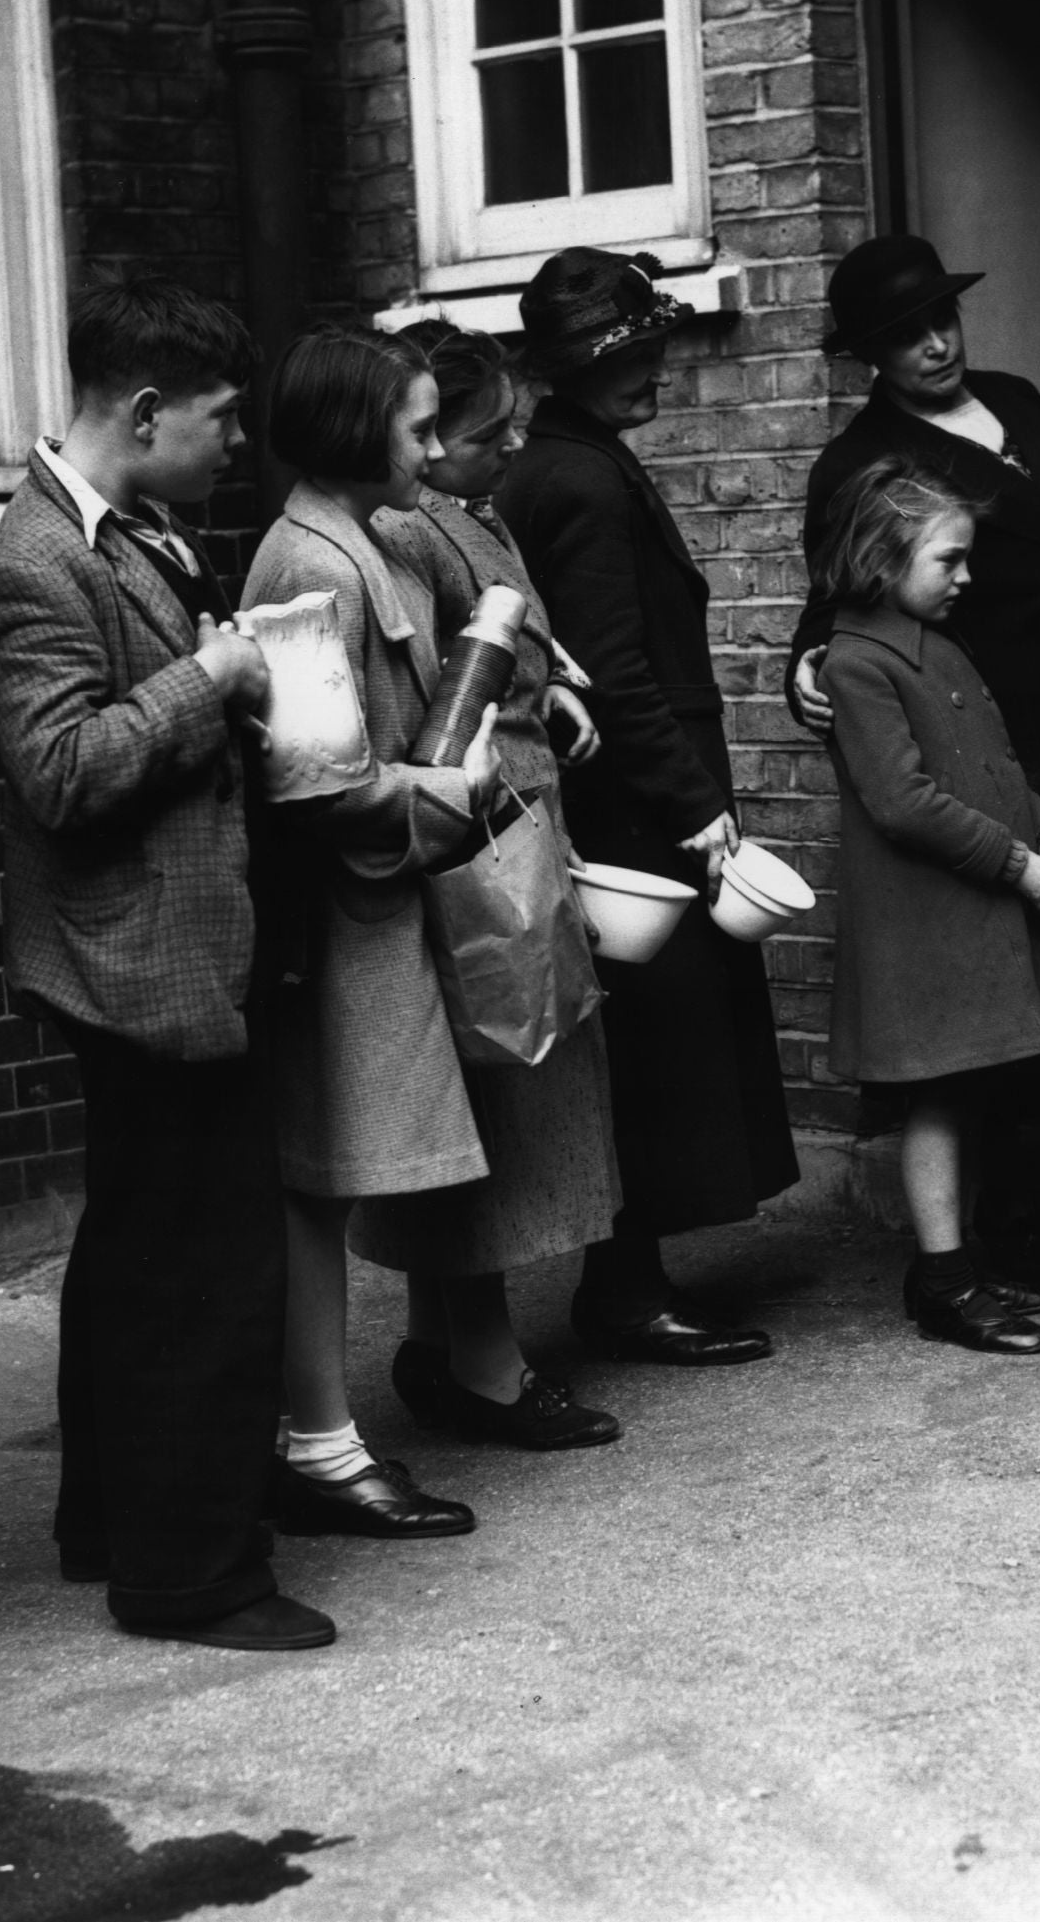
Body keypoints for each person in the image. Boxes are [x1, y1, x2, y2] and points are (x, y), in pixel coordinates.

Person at [0, 278, 332, 1654]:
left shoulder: (137, 530)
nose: (239, 444)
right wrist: (213, 681)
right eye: (223, 421)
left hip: (173, 947)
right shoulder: (33, 566)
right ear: (144, 411)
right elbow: (60, 772)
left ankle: (112, 1521)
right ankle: (192, 1574)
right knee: (205, 1268)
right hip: (135, 964)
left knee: (135, 1251)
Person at [247, 324, 621, 1467]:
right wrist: (455, 793)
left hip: (395, 893)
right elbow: (321, 787)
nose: (434, 450)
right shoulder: (314, 562)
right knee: (331, 1182)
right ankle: (331, 1440)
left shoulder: (357, 540)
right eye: (418, 427)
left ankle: (403, 1395)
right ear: (361, 430)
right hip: (366, 907)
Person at [786, 235, 1040, 1290]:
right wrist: (808, 672)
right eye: (906, 334)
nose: (936, 343)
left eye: (944, 318)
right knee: (1023, 965)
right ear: (870, 354)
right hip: (997, 722)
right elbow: (839, 607)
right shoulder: (861, 463)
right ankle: (1017, 1208)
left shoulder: (1016, 397)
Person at [497, 250, 796, 1363]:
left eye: (647, 345)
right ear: (569, 373)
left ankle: (630, 1277)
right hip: (632, 810)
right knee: (655, 1051)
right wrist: (693, 805)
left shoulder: (566, 462)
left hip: (621, 796)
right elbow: (614, 671)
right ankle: (625, 1289)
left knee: (645, 1048)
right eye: (624, 357)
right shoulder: (578, 479)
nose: (652, 368)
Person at [364, 318, 629, 1448]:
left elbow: (508, 636)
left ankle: (451, 1345)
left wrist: (550, 681)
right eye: (481, 432)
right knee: (492, 1107)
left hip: (512, 818)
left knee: (505, 1102)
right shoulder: (408, 529)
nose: (509, 445)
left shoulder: (465, 514)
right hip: (481, 839)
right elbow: (438, 704)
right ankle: (484, 1363)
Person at [816, 459, 1040, 1353]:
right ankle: (944, 1280)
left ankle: (959, 1260)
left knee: (974, 1090)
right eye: (948, 560)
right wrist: (1016, 863)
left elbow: (997, 768)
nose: (965, 578)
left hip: (973, 914)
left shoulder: (939, 644)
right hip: (929, 924)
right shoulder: (857, 662)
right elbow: (902, 802)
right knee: (939, 1100)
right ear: (879, 555)